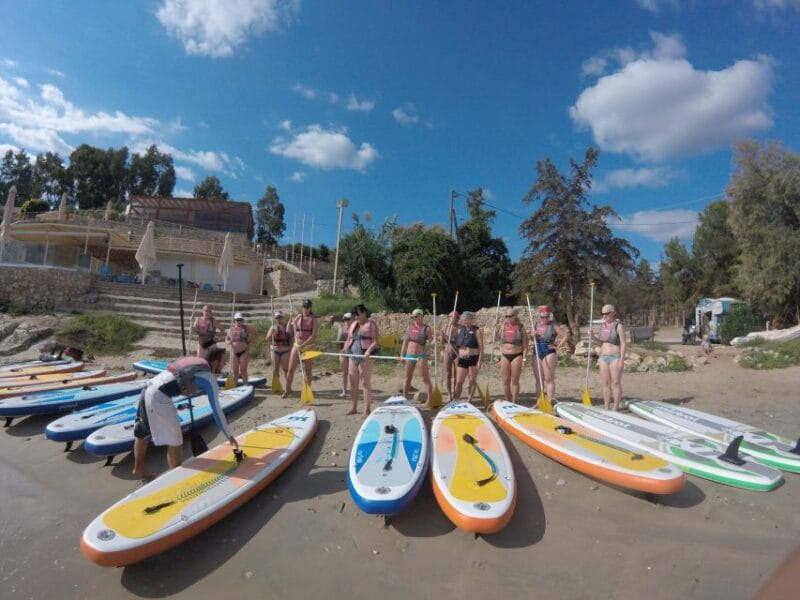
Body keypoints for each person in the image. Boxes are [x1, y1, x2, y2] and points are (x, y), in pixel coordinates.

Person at [132, 347, 239, 479]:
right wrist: (229, 435)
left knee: (142, 432)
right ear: (215, 362)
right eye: (223, 361)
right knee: (176, 440)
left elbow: (179, 378)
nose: (224, 364)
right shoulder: (209, 378)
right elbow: (216, 410)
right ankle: (176, 477)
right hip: (159, 396)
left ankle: (139, 468)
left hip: (148, 387)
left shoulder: (196, 364)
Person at [343, 304, 379, 416]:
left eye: (358, 315)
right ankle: (353, 407)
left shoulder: (371, 324)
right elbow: (349, 339)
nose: (356, 317)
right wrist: (345, 348)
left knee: (365, 382)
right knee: (353, 382)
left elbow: (376, 342)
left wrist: (368, 351)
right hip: (353, 355)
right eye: (355, 315)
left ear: (364, 313)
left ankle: (367, 409)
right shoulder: (353, 324)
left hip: (364, 356)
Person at [531, 305, 569, 406]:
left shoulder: (553, 325)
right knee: (538, 379)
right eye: (542, 317)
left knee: (548, 379)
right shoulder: (536, 324)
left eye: (547, 317)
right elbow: (532, 337)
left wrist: (557, 346)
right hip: (537, 351)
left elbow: (566, 335)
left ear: (549, 316)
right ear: (539, 316)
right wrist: (532, 335)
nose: (545, 319)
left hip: (549, 351)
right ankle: (538, 402)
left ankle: (549, 402)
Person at [591, 304, 626, 411]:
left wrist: (621, 360)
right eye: (602, 313)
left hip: (615, 357)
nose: (604, 316)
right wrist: (592, 336)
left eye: (607, 313)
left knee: (615, 383)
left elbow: (623, 344)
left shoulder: (618, 326)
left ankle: (615, 408)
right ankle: (606, 407)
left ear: (613, 313)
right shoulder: (602, 326)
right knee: (605, 384)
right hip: (603, 357)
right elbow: (600, 343)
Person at [399, 308, 434, 408]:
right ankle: (405, 398)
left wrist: (434, 341)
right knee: (407, 378)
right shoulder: (409, 327)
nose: (414, 319)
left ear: (420, 316)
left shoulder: (426, 328)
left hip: (420, 356)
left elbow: (431, 342)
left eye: (415, 317)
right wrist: (402, 355)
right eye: (413, 317)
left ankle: (430, 400)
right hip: (409, 355)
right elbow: (405, 342)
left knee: (425, 378)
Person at [285, 299, 319, 398]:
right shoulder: (298, 317)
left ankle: (307, 392)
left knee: (308, 371)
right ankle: (287, 390)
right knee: (291, 369)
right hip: (297, 345)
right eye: (304, 307)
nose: (306, 309)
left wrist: (303, 345)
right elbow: (288, 330)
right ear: (302, 307)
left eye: (308, 307)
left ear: (310, 308)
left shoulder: (314, 319)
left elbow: (313, 336)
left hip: (308, 346)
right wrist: (290, 317)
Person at [498, 308, 529, 403]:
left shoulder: (521, 328)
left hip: (517, 356)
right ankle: (508, 400)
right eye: (506, 316)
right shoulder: (503, 326)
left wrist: (524, 359)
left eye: (510, 316)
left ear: (515, 316)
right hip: (505, 356)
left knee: (514, 380)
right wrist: (495, 329)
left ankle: (514, 402)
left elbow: (525, 346)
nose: (507, 318)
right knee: (505, 381)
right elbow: (496, 338)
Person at [453, 311, 483, 401]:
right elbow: (451, 339)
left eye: (467, 319)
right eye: (464, 319)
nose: (465, 321)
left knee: (472, 380)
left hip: (473, 358)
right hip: (462, 359)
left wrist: (479, 361)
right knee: (459, 381)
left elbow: (481, 348)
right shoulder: (460, 330)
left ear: (471, 320)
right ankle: (456, 399)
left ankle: (469, 400)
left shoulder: (477, 331)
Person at [226, 312, 255, 386]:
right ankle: (234, 386)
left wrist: (250, 341)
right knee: (235, 371)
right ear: (235, 320)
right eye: (237, 320)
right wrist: (229, 342)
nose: (239, 321)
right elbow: (226, 340)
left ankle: (245, 385)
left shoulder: (246, 328)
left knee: (243, 370)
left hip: (244, 352)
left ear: (243, 320)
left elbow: (256, 334)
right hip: (234, 353)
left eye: (240, 320)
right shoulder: (231, 329)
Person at [266, 311, 292, 391]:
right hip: (274, 350)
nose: (278, 319)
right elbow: (267, 338)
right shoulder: (273, 327)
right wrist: (272, 334)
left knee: (286, 369)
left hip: (285, 350)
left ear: (282, 317)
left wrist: (291, 316)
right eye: (277, 318)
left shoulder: (288, 326)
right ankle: (277, 386)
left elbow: (291, 335)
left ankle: (288, 387)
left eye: (280, 317)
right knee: (275, 369)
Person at [440, 311, 462, 400]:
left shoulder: (461, 328)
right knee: (448, 374)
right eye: (450, 317)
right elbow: (442, 342)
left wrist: (450, 338)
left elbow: (461, 342)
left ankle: (455, 394)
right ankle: (449, 394)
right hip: (447, 352)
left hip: (458, 353)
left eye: (454, 317)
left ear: (457, 318)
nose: (452, 318)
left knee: (457, 375)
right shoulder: (445, 328)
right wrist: (442, 350)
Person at [337, 312, 352, 397]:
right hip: (343, 352)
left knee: (352, 373)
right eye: (344, 320)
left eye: (348, 319)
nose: (346, 321)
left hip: (352, 353)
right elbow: (338, 342)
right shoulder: (341, 329)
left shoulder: (355, 328)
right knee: (344, 373)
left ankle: (353, 390)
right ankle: (344, 391)